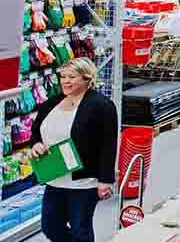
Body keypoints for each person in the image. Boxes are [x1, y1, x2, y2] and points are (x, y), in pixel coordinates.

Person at [31, 58, 117, 242]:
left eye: (72, 77)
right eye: (63, 77)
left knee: (80, 230)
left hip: (83, 182)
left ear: (87, 78)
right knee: (50, 227)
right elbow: (36, 130)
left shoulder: (101, 106)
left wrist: (106, 180)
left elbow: (108, 145)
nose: (65, 81)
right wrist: (36, 144)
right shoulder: (53, 102)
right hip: (54, 177)